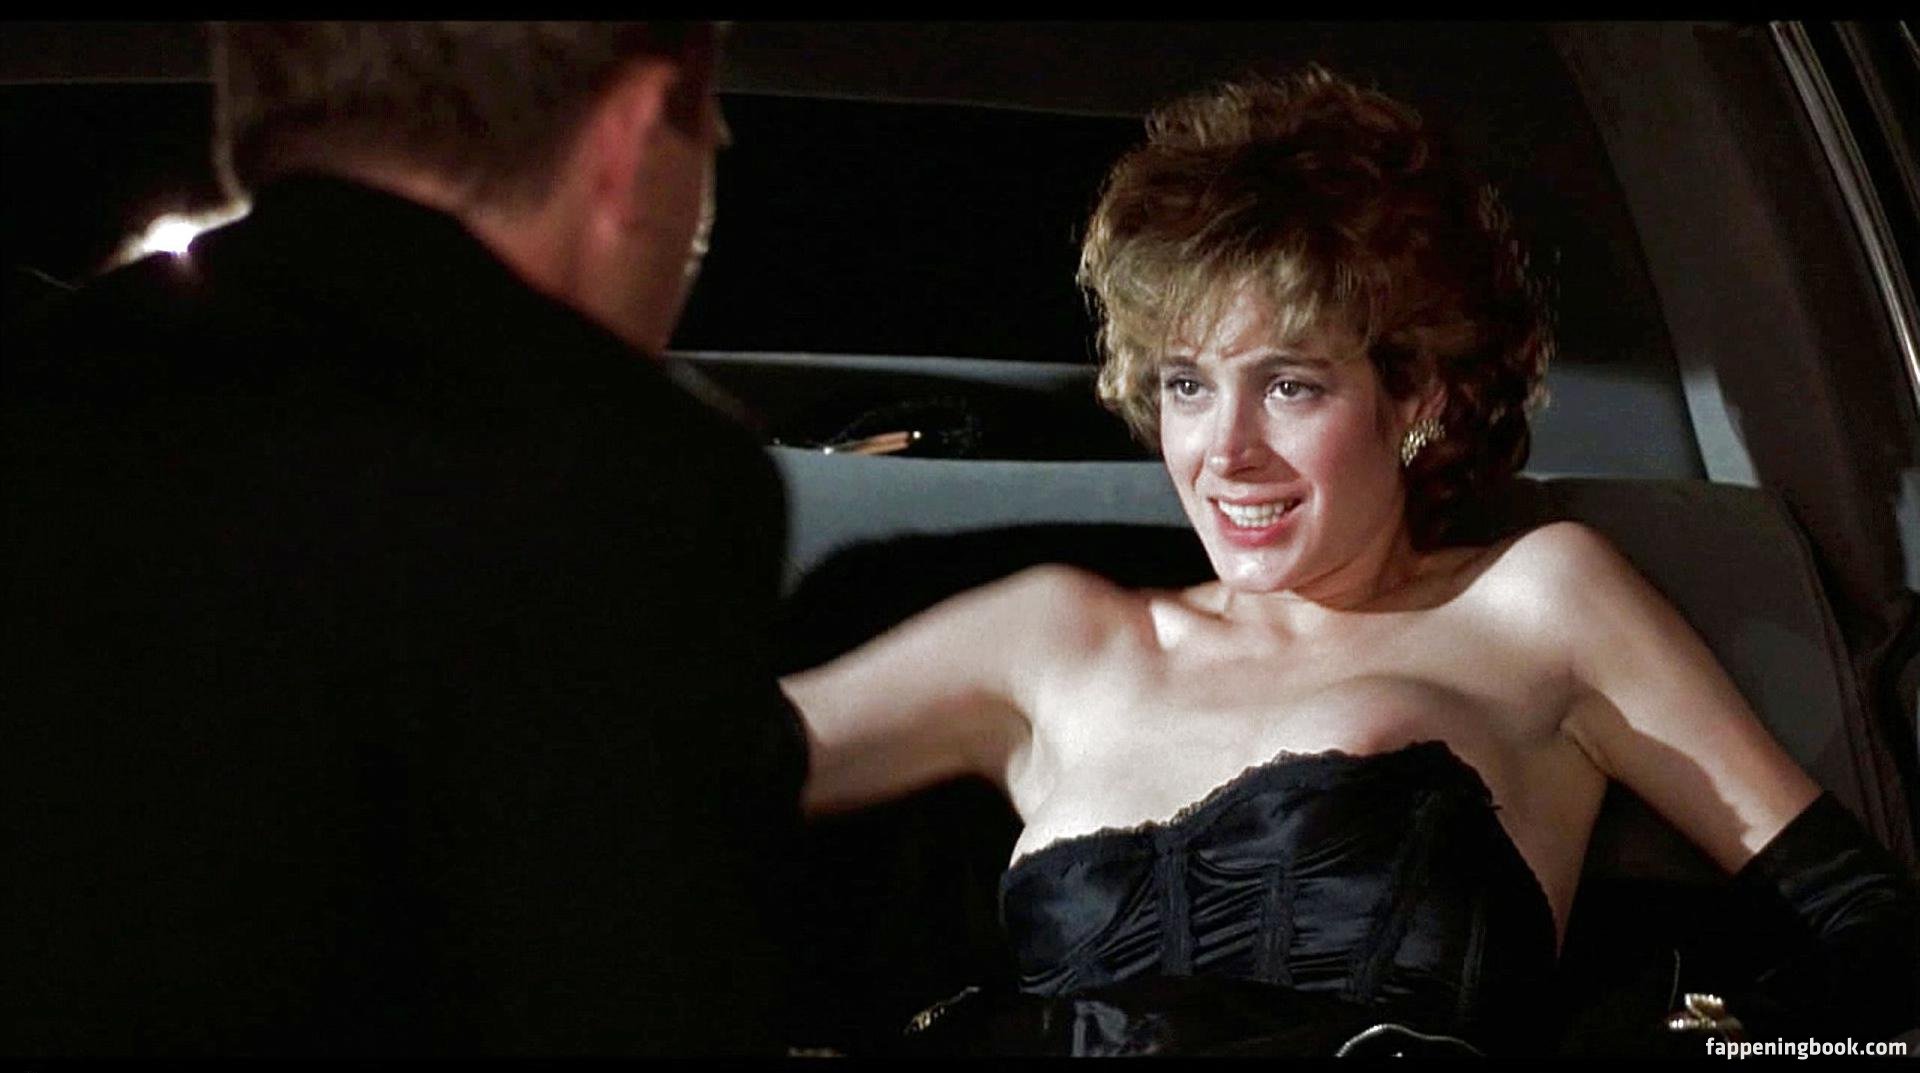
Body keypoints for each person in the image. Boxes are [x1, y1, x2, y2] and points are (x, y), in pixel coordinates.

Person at [781, 68, 1919, 1056]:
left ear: (1416, 394)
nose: (1224, 450)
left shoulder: (1539, 604)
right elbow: (694, 769)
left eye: (1289, 384)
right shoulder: (1053, 636)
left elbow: (1873, 932)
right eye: (1187, 384)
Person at [2, 22, 805, 1056]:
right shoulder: (626, 474)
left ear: (246, 122)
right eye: (710, 140)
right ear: (632, 133)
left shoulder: (44, 392)